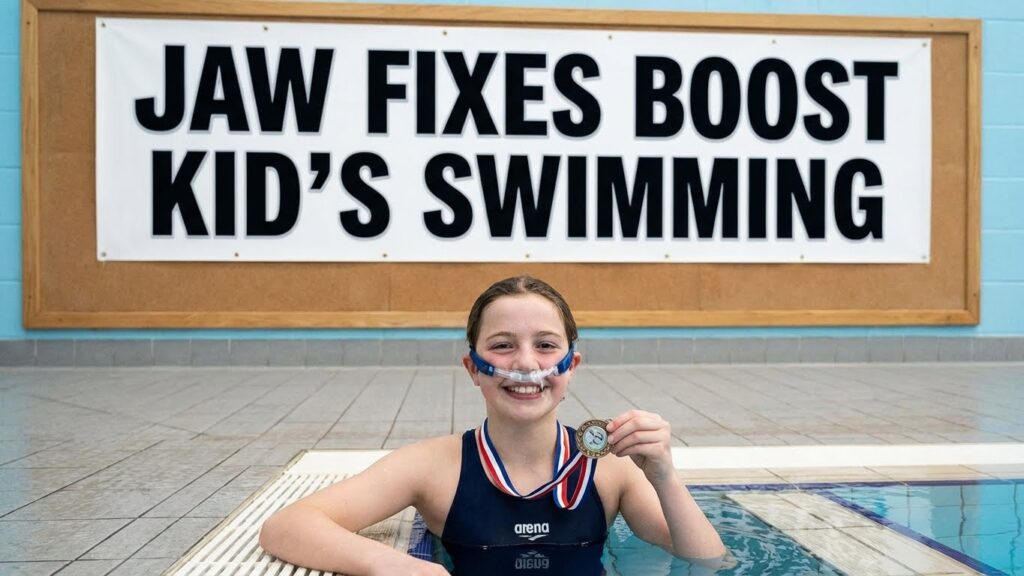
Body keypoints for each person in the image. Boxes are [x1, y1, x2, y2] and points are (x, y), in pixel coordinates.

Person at [259, 276, 726, 575]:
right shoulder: (431, 467)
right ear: (473, 368)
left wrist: (663, 474)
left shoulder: (609, 470)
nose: (526, 363)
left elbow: (707, 560)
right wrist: (394, 566)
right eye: (502, 346)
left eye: (546, 345)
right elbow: (288, 525)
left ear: (571, 365)